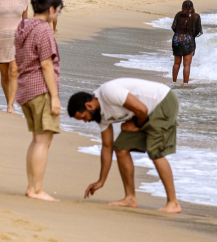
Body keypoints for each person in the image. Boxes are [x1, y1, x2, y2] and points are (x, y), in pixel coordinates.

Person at [67, 78, 182, 213]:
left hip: (162, 101)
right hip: (142, 114)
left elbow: (141, 109)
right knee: (121, 148)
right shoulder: (101, 116)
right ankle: (130, 198)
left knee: (155, 151)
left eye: (84, 117)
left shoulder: (108, 92)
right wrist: (101, 181)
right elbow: (107, 146)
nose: (86, 121)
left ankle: (173, 203)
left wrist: (136, 124)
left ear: (89, 106)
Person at [15, 0, 62, 201]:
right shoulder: (43, 29)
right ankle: (36, 189)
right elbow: (46, 64)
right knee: (43, 141)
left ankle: (32, 187)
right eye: (57, 11)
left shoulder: (23, 25)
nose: (57, 15)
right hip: (40, 89)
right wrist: (55, 97)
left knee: (36, 140)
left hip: (25, 88)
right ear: (51, 9)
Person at [171, 0, 202, 84]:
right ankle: (185, 84)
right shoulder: (196, 16)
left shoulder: (179, 14)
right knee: (187, 65)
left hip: (177, 40)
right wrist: (190, 36)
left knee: (176, 63)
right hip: (189, 40)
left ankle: (174, 82)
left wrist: (179, 34)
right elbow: (198, 30)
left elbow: (173, 27)